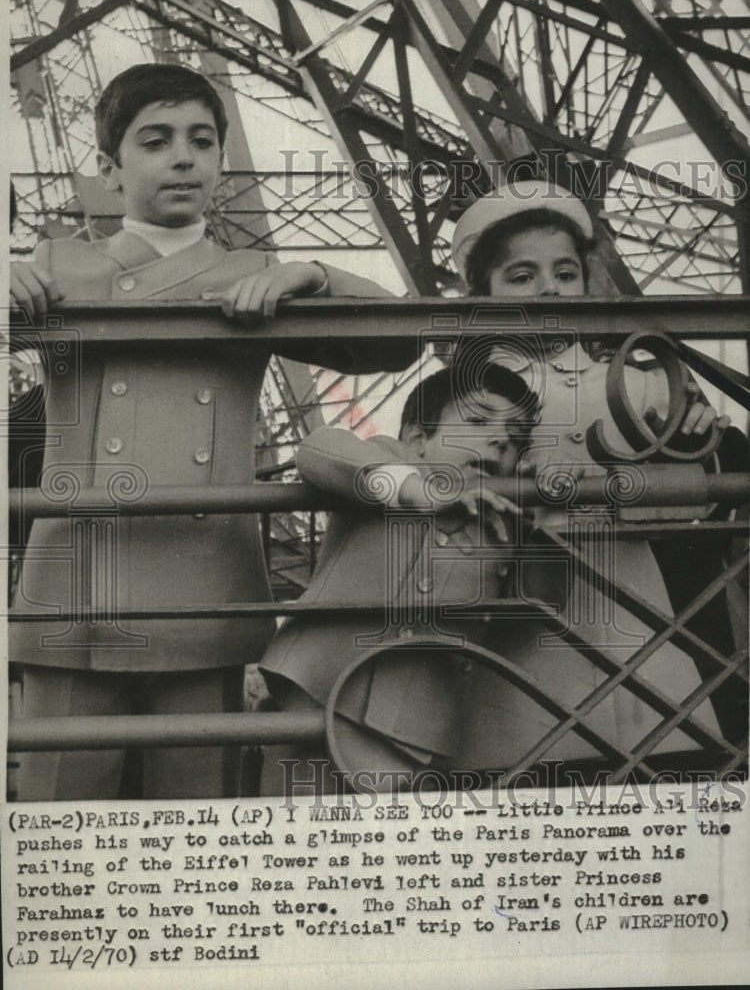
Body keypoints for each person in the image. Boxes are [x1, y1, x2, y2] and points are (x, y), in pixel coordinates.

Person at [9, 63, 413, 801]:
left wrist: (312, 277)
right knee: (55, 831)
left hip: (204, 593)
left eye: (201, 139)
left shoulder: (254, 273)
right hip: (77, 595)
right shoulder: (57, 264)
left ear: (221, 161)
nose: (184, 157)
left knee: (199, 826)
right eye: (156, 140)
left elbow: (397, 343)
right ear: (108, 166)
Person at [448, 179, 729, 775]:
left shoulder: (637, 375)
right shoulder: (475, 388)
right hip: (532, 599)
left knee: (663, 747)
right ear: (485, 296)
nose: (550, 287)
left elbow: (707, 472)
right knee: (539, 753)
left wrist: (696, 438)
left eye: (566, 272)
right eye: (521, 276)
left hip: (638, 593)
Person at [259, 361, 543, 795]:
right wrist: (417, 489)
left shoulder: (504, 526)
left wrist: (548, 509)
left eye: (517, 437)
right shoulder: (388, 465)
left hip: (415, 728)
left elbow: (537, 609)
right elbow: (319, 448)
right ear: (416, 439)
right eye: (478, 419)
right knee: (293, 837)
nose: (500, 438)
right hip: (318, 690)